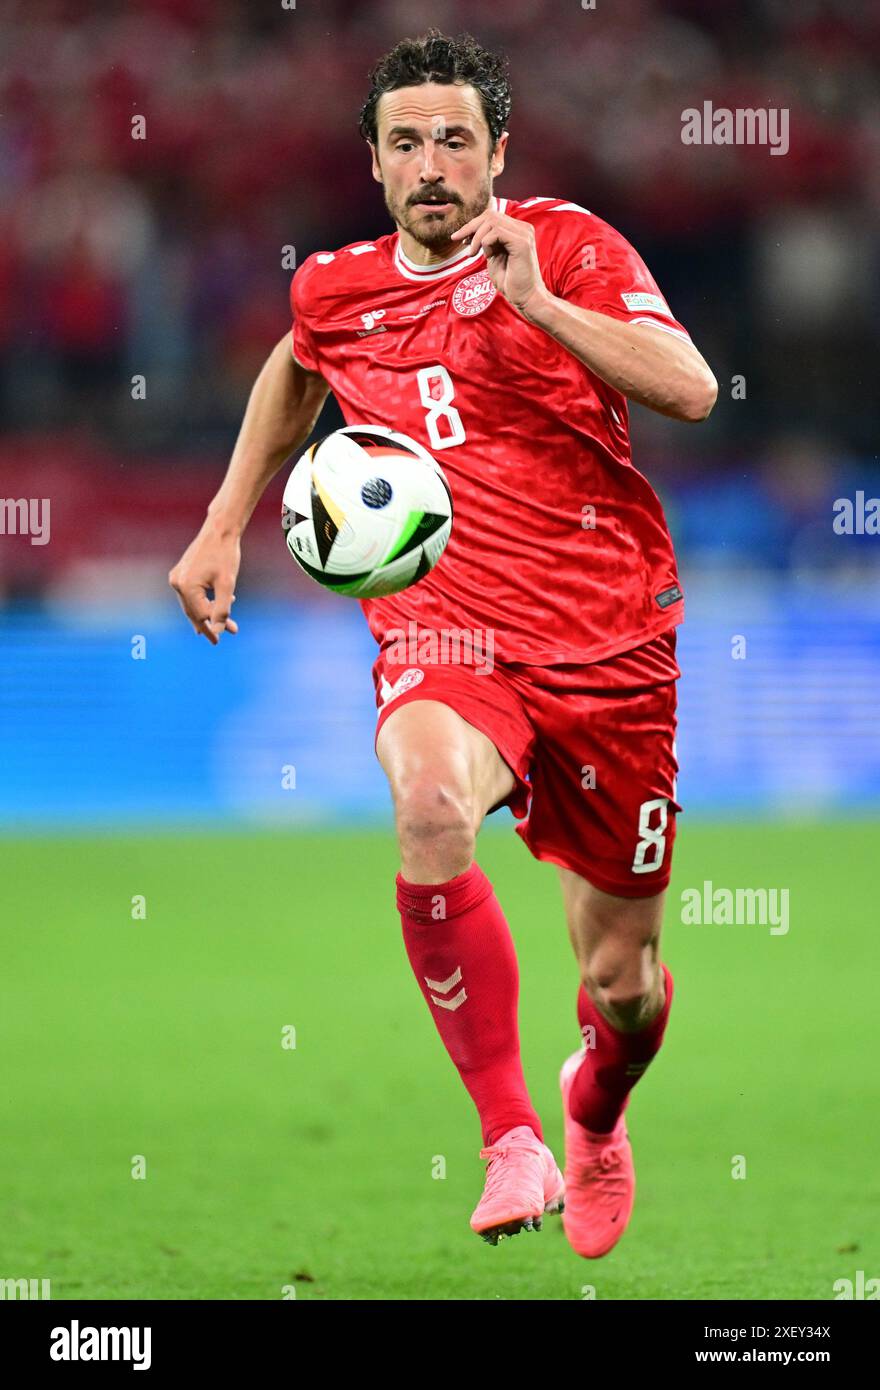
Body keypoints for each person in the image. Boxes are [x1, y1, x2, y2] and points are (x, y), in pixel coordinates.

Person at [169, 29, 717, 1257]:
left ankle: (596, 1108)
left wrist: (537, 302)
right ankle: (509, 1134)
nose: (431, 162)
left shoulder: (567, 245)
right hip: (446, 627)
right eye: (406, 141)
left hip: (609, 644)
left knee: (623, 984)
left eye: (455, 140)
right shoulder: (336, 284)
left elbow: (689, 388)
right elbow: (297, 364)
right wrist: (221, 522)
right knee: (426, 811)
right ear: (372, 161)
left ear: (497, 153)